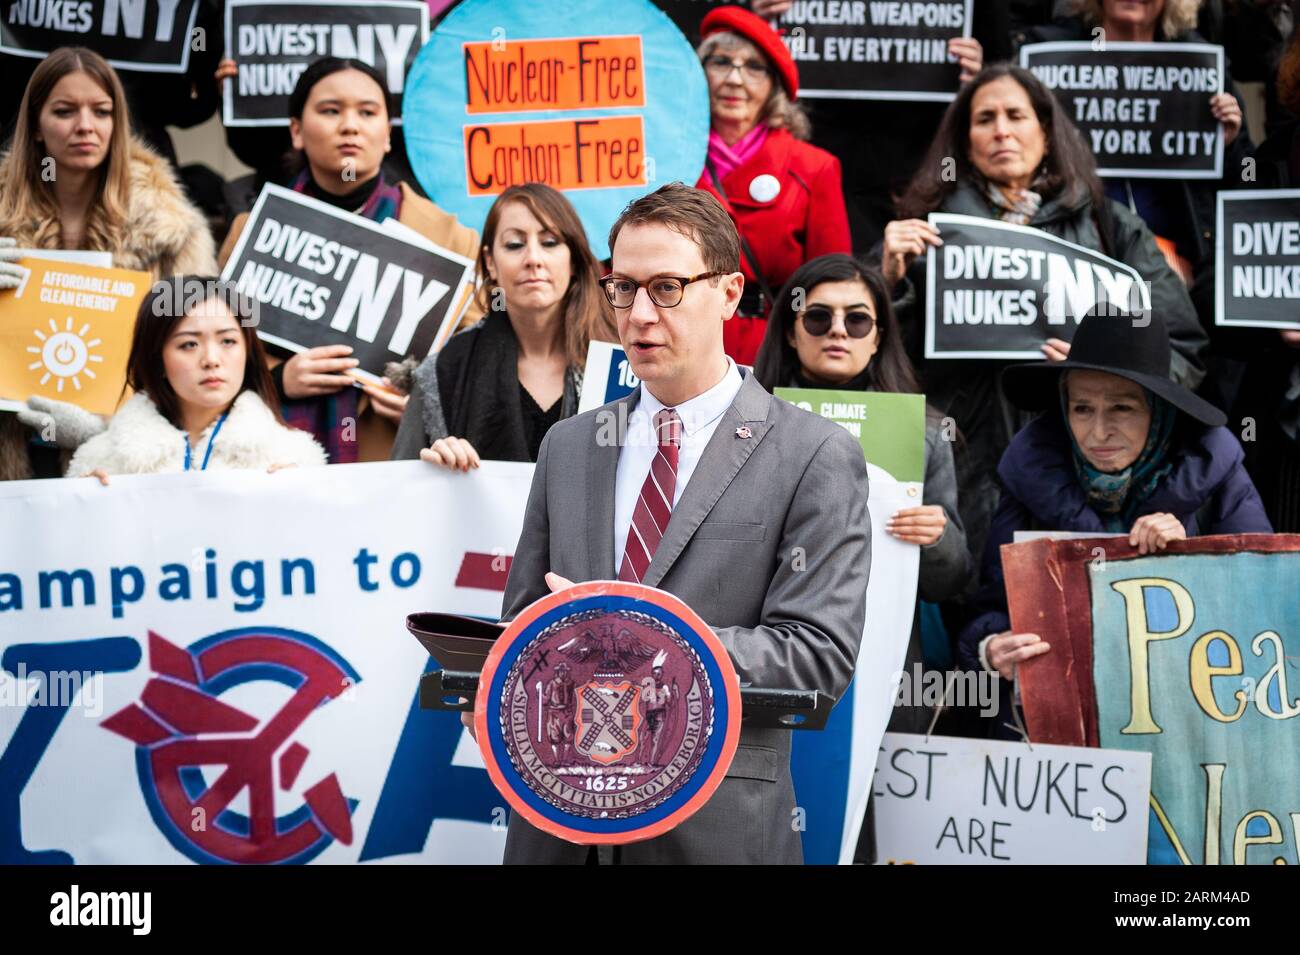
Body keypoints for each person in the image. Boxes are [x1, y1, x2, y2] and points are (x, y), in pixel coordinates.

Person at [492, 182, 871, 864]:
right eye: (623, 287)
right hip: (557, 830)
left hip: (713, 830)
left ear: (729, 294)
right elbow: (522, 623)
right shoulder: (570, 446)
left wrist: (636, 641)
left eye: (666, 287)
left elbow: (817, 659)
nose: (639, 314)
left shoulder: (814, 453)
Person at [880, 63, 1210, 565]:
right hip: (959, 457)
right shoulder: (923, 234)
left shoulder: (1108, 225)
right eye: (985, 118)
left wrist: (1103, 372)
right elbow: (871, 359)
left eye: (1016, 115)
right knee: (973, 616)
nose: (1002, 130)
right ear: (965, 142)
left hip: (1079, 467)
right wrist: (887, 282)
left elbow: (1182, 344)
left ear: (1047, 132)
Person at [956, 308, 1272, 738]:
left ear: (1159, 410)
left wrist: (1193, 559)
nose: (1097, 431)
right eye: (1082, 408)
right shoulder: (1029, 472)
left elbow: (1263, 610)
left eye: (1121, 408)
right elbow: (990, 607)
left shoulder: (1217, 474)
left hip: (1188, 731)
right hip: (1061, 737)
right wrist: (989, 650)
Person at [216, 57, 483, 464]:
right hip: (275, 465)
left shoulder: (450, 238)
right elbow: (211, 349)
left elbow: (477, 364)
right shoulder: (251, 230)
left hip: (397, 468)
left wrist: (423, 402)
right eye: (330, 111)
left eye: (367, 112)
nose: (350, 126)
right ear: (296, 131)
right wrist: (275, 380)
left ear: (388, 135)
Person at [753, 254, 972, 728]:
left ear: (877, 339)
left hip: (887, 671)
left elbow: (951, 581)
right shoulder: (740, 423)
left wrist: (937, 538)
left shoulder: (926, 434)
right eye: (817, 317)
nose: (837, 331)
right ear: (791, 333)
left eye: (856, 320)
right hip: (770, 659)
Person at [1020, 0, 1254, 412]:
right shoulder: (1049, 55)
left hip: (1184, 278)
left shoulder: (1200, 61)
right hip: (1075, 265)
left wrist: (1231, 145)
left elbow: (1242, 190)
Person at [0, 47, 218, 482]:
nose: (85, 126)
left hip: (123, 470)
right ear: (37, 127)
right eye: (64, 111)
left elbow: (204, 360)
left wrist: (103, 433)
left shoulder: (172, 231)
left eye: (101, 112)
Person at [392, 183, 617, 467]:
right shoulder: (443, 373)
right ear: (491, 262)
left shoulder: (622, 361)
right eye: (514, 244)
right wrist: (433, 470)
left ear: (572, 259)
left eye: (549, 243)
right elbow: (401, 492)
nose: (533, 259)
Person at [692, 5, 852, 366]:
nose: (734, 79)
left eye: (753, 67)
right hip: (680, 346)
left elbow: (833, 283)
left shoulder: (814, 167)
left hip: (772, 355)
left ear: (774, 86)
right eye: (720, 62)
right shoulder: (666, 155)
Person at [66, 277, 326, 480]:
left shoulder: (296, 459)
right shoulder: (101, 460)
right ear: (158, 360)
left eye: (228, 341)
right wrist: (86, 506)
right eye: (189, 344)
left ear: (247, 352)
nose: (211, 359)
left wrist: (300, 502)